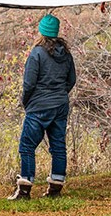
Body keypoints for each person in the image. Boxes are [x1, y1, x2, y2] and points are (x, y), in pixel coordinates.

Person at [9, 14, 77, 200]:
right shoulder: (66, 54)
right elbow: (72, 80)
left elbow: (29, 83)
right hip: (60, 105)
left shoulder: (37, 53)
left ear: (41, 31)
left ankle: (24, 190)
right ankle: (55, 189)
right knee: (58, 146)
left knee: (27, 146)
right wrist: (60, 94)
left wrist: (26, 101)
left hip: (39, 106)